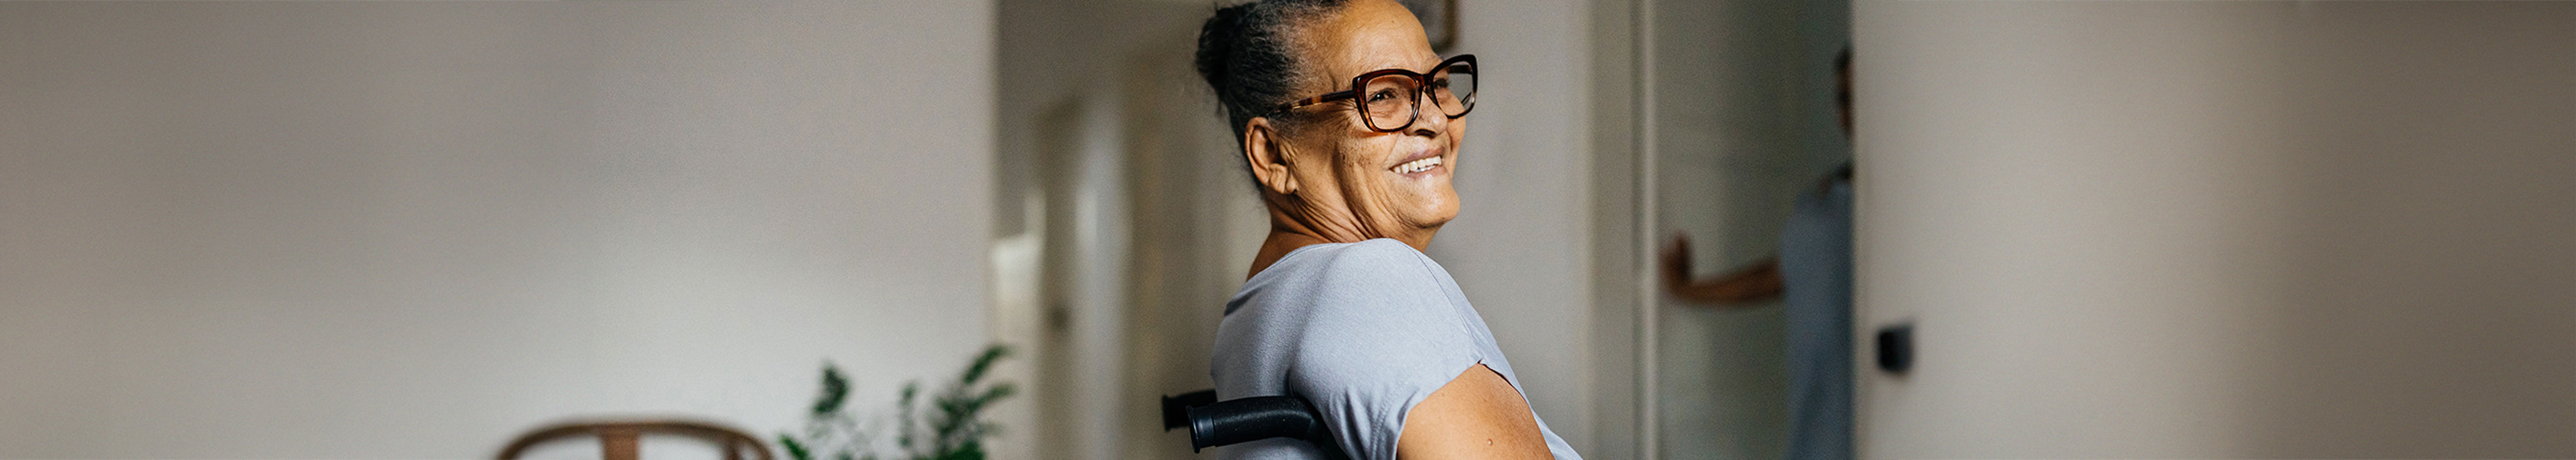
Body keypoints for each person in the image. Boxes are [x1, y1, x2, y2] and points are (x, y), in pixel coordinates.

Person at [1195, 1, 1581, 459]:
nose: (1437, 119)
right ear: (1275, 155)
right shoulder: (1368, 278)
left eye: (1438, 83)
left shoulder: (1254, 316)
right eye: (1380, 95)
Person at [1660, 47, 1855, 460]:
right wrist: (1687, 289)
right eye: (1842, 98)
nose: (1850, 112)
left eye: (1860, 96)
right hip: (1815, 423)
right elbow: (1781, 274)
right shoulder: (1826, 195)